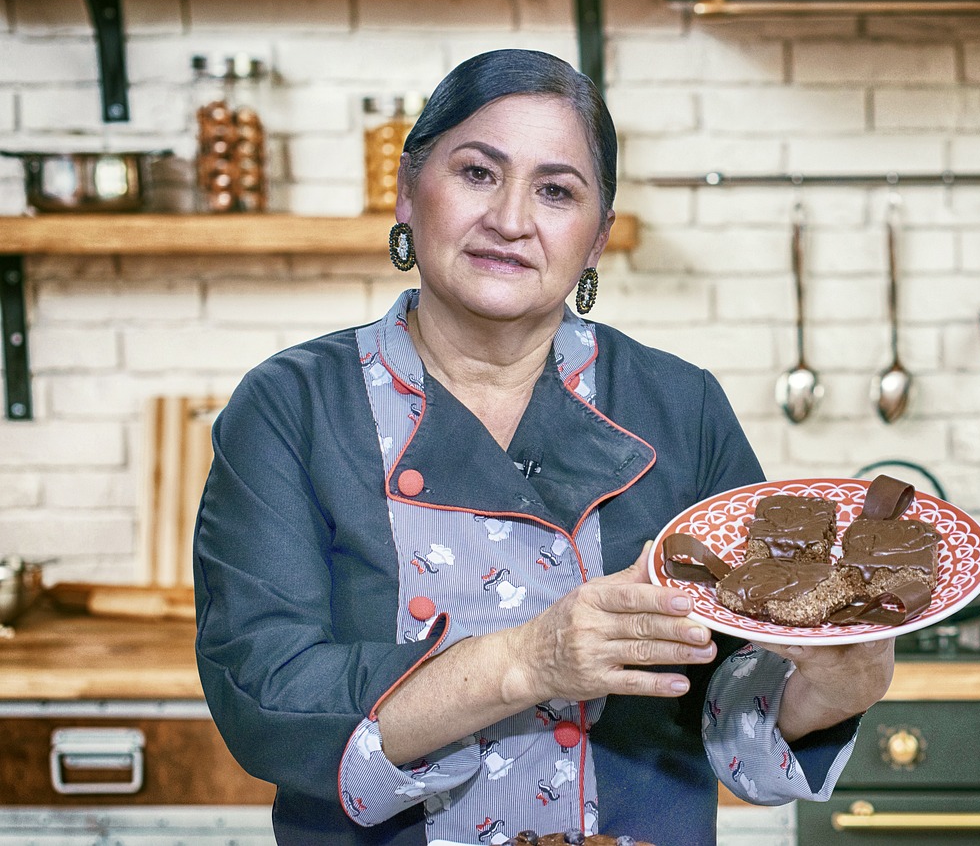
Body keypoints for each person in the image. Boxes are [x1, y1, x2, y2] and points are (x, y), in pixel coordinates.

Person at [193, 48, 894, 846]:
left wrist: (838, 680)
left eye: (557, 190)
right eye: (478, 173)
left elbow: (736, 695)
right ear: (405, 190)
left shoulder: (679, 405)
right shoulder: (292, 406)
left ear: (595, 237)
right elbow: (266, 693)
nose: (512, 219)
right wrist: (529, 660)